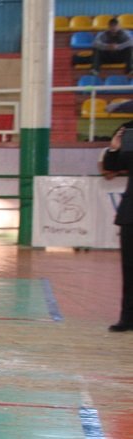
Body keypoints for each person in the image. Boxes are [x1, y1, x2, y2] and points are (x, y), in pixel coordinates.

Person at [102, 121, 133, 331]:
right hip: (131, 213)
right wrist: (114, 148)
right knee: (129, 268)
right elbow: (112, 166)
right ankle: (128, 318)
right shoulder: (130, 128)